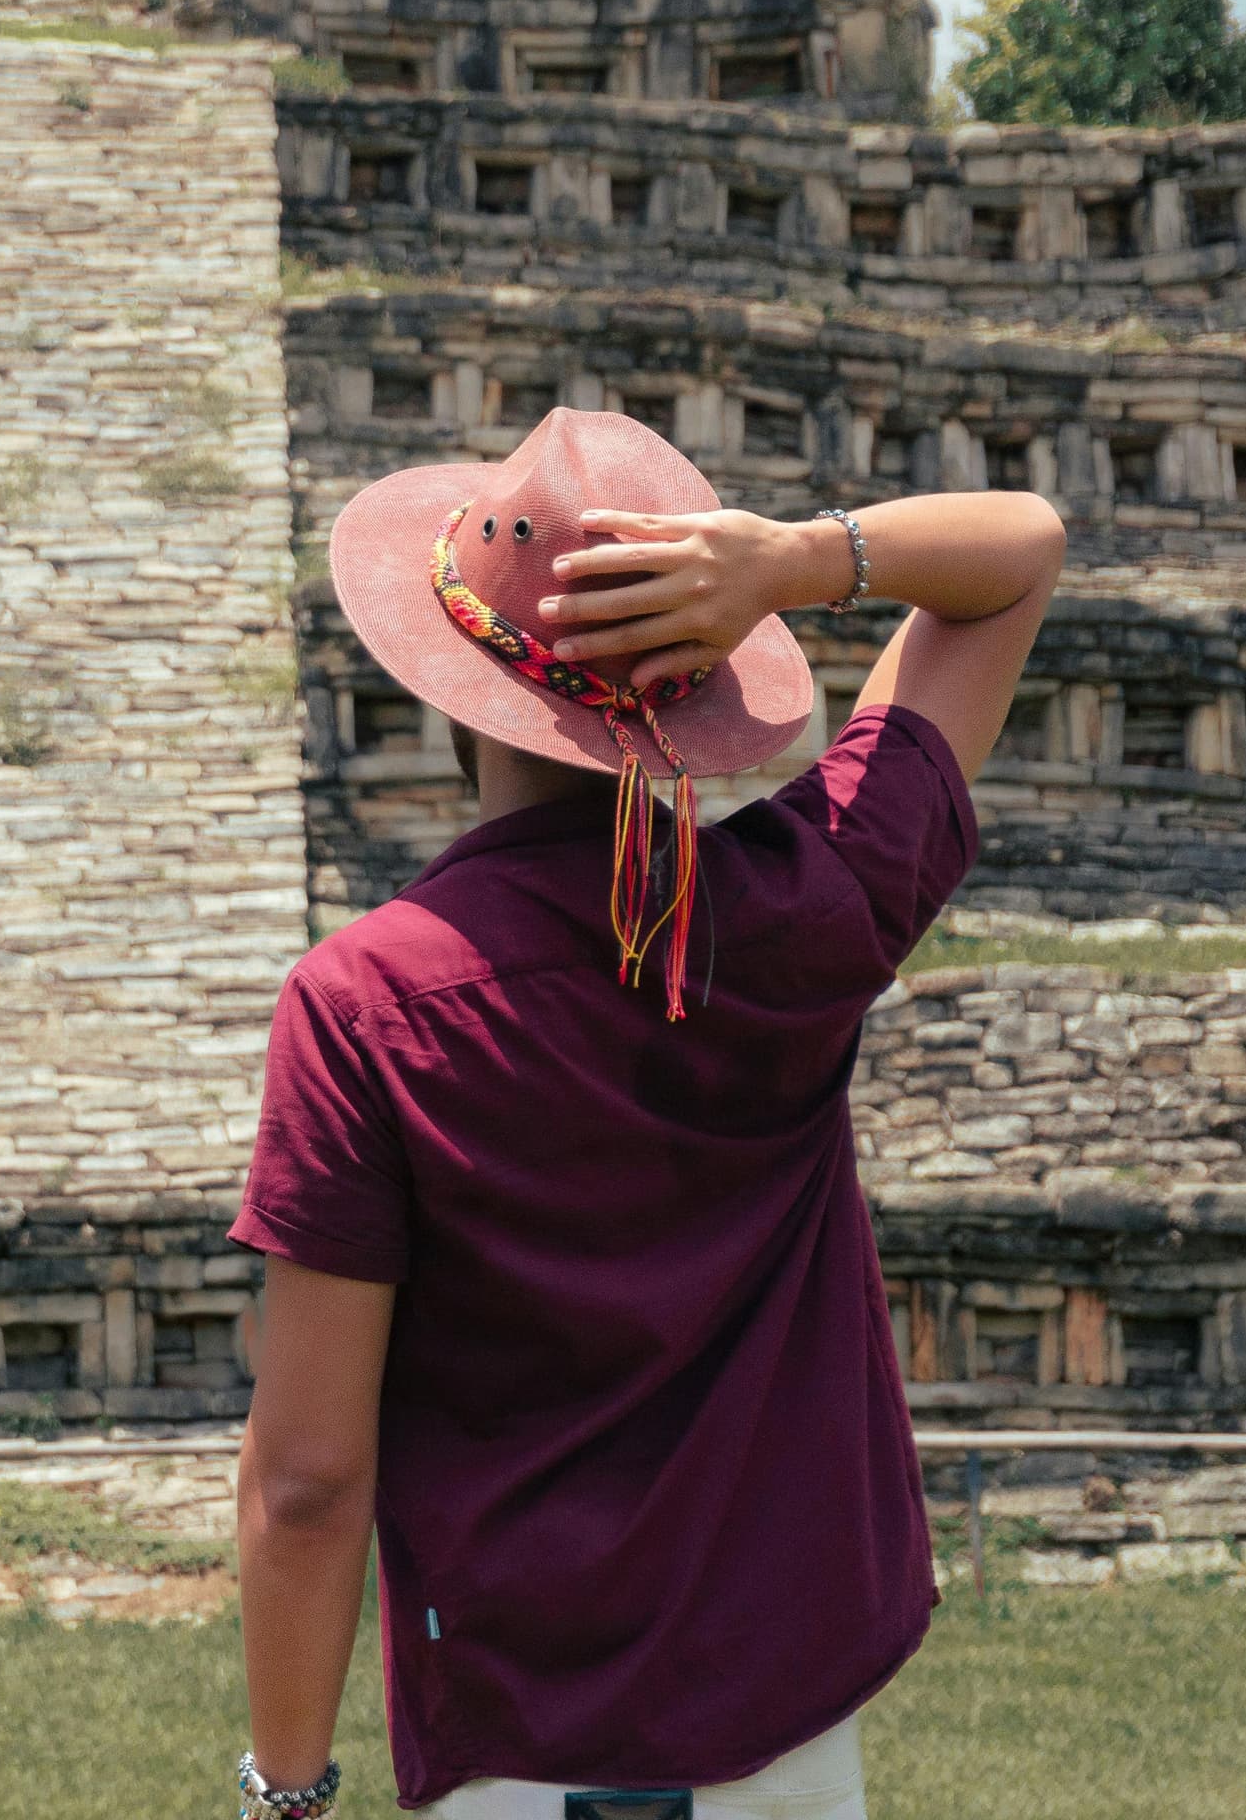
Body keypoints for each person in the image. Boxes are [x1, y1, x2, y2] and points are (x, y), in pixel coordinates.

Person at [229, 407, 1064, 1820]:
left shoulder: (366, 1002)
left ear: (450, 699)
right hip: (792, 1753)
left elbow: (309, 1481)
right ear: (695, 697)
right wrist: (795, 564)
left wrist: (288, 1795)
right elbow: (1022, 552)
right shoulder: (812, 911)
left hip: (520, 1758)